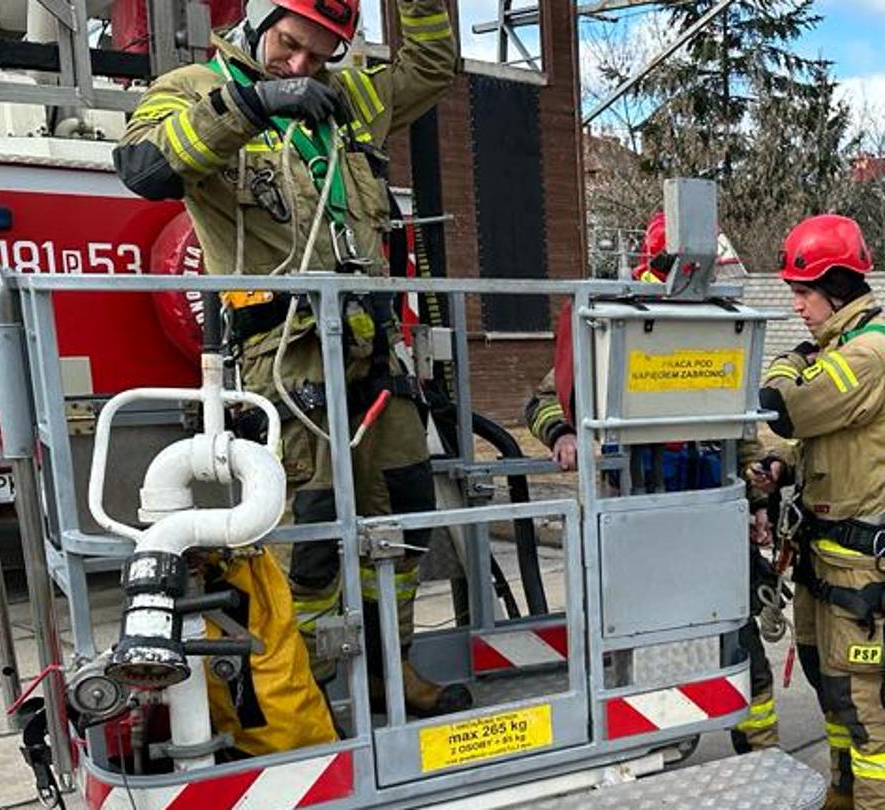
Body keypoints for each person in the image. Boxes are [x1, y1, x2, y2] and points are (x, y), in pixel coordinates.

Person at [114, 0, 465, 719]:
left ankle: (389, 671)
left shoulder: (348, 101)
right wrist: (250, 103)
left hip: (372, 356)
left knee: (404, 514)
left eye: (320, 55)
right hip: (286, 362)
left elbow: (430, 66)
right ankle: (305, 695)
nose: (302, 66)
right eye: (289, 46)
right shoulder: (193, 89)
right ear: (256, 21)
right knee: (306, 539)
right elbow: (144, 167)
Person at [519, 211, 779, 751]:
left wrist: (758, 499)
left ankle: (756, 735)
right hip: (639, 508)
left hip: (710, 504)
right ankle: (658, 732)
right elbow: (544, 399)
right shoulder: (613, 325)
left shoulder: (719, 325)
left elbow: (741, 429)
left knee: (736, 622)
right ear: (668, 269)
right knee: (644, 625)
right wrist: (563, 433)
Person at [748, 214, 885, 810]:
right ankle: (845, 795)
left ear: (838, 286)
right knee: (835, 694)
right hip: (827, 558)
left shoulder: (867, 356)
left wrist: (788, 361)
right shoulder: (843, 350)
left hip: (860, 568)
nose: (797, 307)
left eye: (803, 292)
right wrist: (782, 468)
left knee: (870, 712)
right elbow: (820, 442)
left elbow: (783, 407)